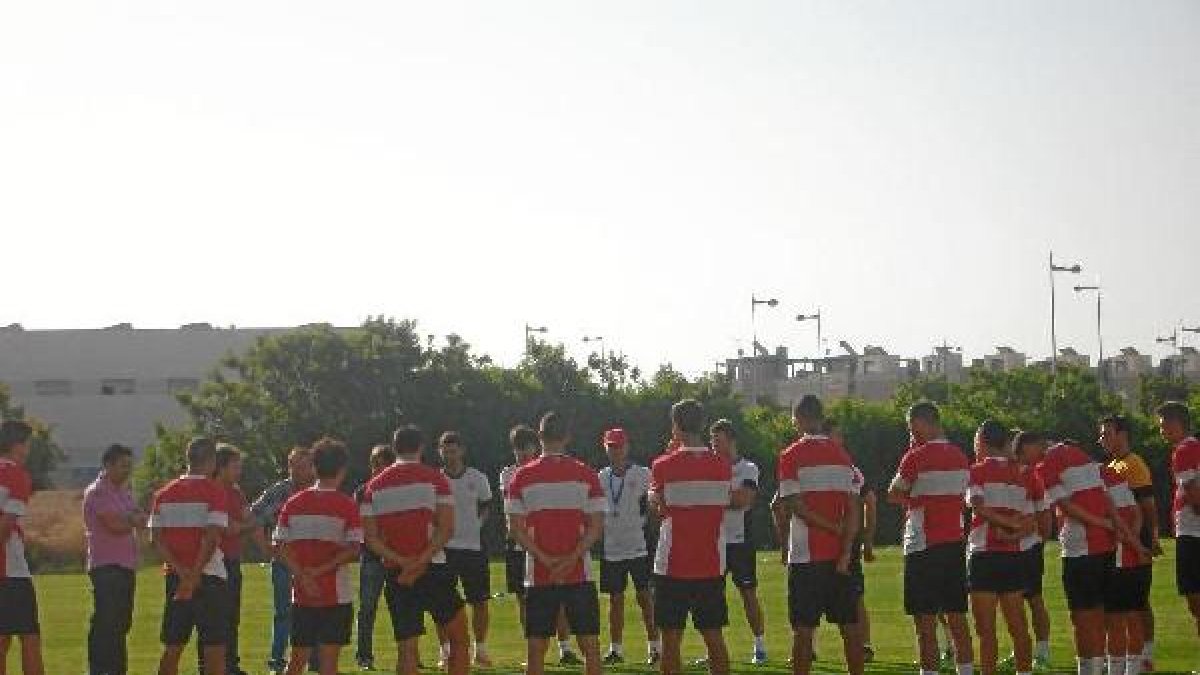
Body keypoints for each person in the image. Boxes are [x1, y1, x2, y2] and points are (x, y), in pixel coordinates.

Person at [360, 424, 469, 675]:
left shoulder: (373, 488)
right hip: (434, 569)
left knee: (407, 650)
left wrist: (404, 562)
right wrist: (420, 561)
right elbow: (446, 529)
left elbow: (371, 539)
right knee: (459, 640)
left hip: (397, 573)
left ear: (395, 447)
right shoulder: (436, 479)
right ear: (421, 447)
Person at [505, 412, 606, 675]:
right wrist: (571, 560)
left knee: (536, 650)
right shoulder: (586, 474)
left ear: (539, 437)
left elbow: (515, 529)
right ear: (568, 437)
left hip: (539, 574)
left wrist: (546, 559)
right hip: (578, 573)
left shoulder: (521, 476)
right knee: (590, 648)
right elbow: (596, 528)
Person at [774, 395, 864, 675]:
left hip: (805, 557)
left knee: (803, 632)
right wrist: (847, 549)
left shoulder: (790, 455)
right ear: (822, 417)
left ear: (797, 418)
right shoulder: (842, 455)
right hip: (840, 556)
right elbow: (854, 507)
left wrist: (831, 529)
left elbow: (796, 507)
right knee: (850, 629)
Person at [887, 401, 974, 675]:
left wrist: (915, 493)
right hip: (954, 543)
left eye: (911, 426)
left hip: (922, 545)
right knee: (957, 618)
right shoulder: (961, 457)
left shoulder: (915, 457)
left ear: (923, 422)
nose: (910, 431)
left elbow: (893, 493)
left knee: (925, 624)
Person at [1035, 439, 1136, 675]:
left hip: (1081, 549)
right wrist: (1119, 528)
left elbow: (1067, 507)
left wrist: (1106, 524)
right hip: (1108, 546)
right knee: (1110, 617)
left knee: (1082, 618)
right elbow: (1107, 499)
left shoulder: (1047, 463)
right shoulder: (1086, 458)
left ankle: (1089, 671)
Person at [648, 399, 733, 675]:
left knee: (671, 641)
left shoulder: (662, 465)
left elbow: (659, 508)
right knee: (714, 638)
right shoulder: (722, 465)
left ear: (675, 426)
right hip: (710, 562)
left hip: (672, 565)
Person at [274, 437, 363, 675]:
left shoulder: (293, 503)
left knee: (296, 660)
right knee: (328, 664)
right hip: (336, 596)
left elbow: (279, 545)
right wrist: (320, 571)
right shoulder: (348, 505)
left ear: (314, 467)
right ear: (342, 469)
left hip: (302, 594)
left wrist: (302, 575)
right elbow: (354, 548)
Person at [148, 436, 230, 675]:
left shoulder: (162, 494)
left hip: (176, 577)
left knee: (173, 646)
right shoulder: (215, 491)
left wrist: (182, 573)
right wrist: (194, 575)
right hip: (210, 577)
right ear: (212, 461)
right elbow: (212, 537)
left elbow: (156, 539)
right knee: (214, 650)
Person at [501, 425, 581, 666]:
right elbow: (511, 511)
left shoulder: (546, 470)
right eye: (518, 449)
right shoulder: (508, 474)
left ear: (536, 446)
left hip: (545, 545)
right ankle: (534, 651)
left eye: (526, 447)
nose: (522, 453)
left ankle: (565, 648)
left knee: (557, 598)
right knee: (523, 600)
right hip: (519, 544)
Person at [965, 421, 1035, 675]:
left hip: (984, 556)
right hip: (1012, 556)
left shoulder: (976, 471)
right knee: (1018, 627)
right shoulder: (1024, 473)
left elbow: (979, 507)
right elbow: (1030, 521)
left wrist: (1004, 528)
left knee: (986, 632)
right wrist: (1012, 532)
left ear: (982, 441)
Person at [1100, 414, 1160, 673]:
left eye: (1106, 433)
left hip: (1134, 540)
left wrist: (1150, 537)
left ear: (1122, 434)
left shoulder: (1132, 464)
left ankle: (1144, 655)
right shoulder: (1113, 465)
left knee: (1134, 603)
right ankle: (1135, 655)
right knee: (1133, 601)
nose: (1101, 439)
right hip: (1125, 540)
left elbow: (1146, 505)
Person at [251, 447, 317, 674]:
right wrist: (265, 548)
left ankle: (315, 660)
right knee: (283, 611)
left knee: (315, 608)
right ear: (289, 466)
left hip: (313, 561)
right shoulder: (278, 491)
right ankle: (277, 660)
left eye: (304, 466)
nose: (299, 471)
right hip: (283, 560)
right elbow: (253, 517)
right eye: (294, 466)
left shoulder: (320, 491)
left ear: (312, 467)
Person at [596, 427, 659, 666]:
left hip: (638, 545)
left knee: (645, 598)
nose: (615, 451)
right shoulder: (601, 477)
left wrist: (651, 525)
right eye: (611, 446)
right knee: (615, 600)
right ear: (605, 447)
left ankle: (655, 647)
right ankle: (616, 649)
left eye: (619, 446)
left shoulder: (643, 474)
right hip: (612, 547)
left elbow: (655, 500)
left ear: (627, 447)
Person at [200, 444, 263, 675]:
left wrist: (266, 548)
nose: (240, 470)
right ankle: (209, 667)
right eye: (236, 466)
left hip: (233, 561)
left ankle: (230, 665)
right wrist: (245, 526)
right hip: (215, 564)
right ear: (221, 466)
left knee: (231, 616)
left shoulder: (236, 491)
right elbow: (229, 528)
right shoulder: (210, 490)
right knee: (214, 618)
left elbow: (246, 521)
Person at [709, 419, 768, 665]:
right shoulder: (709, 467)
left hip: (740, 541)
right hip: (713, 541)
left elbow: (743, 500)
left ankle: (760, 646)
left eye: (718, 441)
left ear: (731, 441)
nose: (713, 446)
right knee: (712, 596)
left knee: (747, 593)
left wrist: (712, 496)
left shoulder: (748, 468)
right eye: (712, 441)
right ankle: (713, 650)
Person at [436, 431, 495, 668]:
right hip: (444, 549)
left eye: (453, 450)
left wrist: (477, 524)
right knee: (441, 602)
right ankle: (445, 650)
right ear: (439, 452)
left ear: (462, 450)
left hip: (473, 548)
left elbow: (487, 505)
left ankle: (480, 649)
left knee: (479, 601)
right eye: (445, 450)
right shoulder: (435, 480)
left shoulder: (478, 478)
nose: (450, 455)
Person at [83, 443, 143, 675]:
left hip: (125, 566)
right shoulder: (98, 492)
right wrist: (131, 518)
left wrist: (130, 517)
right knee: (106, 622)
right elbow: (116, 525)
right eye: (122, 466)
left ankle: (116, 669)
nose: (127, 470)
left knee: (121, 623)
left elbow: (138, 516)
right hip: (106, 566)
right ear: (108, 465)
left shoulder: (124, 492)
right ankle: (100, 670)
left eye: (129, 466)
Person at [0, 420, 45, 675]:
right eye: (27, 445)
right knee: (29, 636)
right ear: (18, 445)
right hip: (10, 569)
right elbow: (6, 525)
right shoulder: (15, 474)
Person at [1156, 401, 1200, 653]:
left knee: (1195, 599)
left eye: (1163, 426)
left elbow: (1194, 499)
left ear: (1175, 423)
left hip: (1193, 533)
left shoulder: (1183, 451)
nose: (1162, 431)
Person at [1010, 431, 1054, 671]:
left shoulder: (1032, 475)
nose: (1042, 451)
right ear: (1024, 447)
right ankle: (1022, 652)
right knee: (1013, 602)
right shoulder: (1019, 473)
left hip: (1027, 546)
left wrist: (1039, 540)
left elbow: (1043, 512)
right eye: (1038, 446)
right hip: (1010, 547)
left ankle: (1042, 652)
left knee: (1033, 599)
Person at [1100, 463, 1148, 675]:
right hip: (1133, 559)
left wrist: (1129, 542)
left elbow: (1115, 522)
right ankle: (1133, 670)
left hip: (1115, 558)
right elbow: (1137, 513)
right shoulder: (1115, 476)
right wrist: (1135, 540)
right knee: (1133, 617)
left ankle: (1116, 671)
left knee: (1115, 621)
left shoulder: (1093, 481)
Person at [354, 444, 396, 671]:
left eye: (380, 464)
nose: (376, 468)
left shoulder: (399, 490)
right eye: (373, 463)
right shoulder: (363, 491)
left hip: (396, 557)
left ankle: (409, 653)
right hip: (371, 557)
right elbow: (359, 524)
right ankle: (364, 656)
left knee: (402, 606)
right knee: (368, 608)